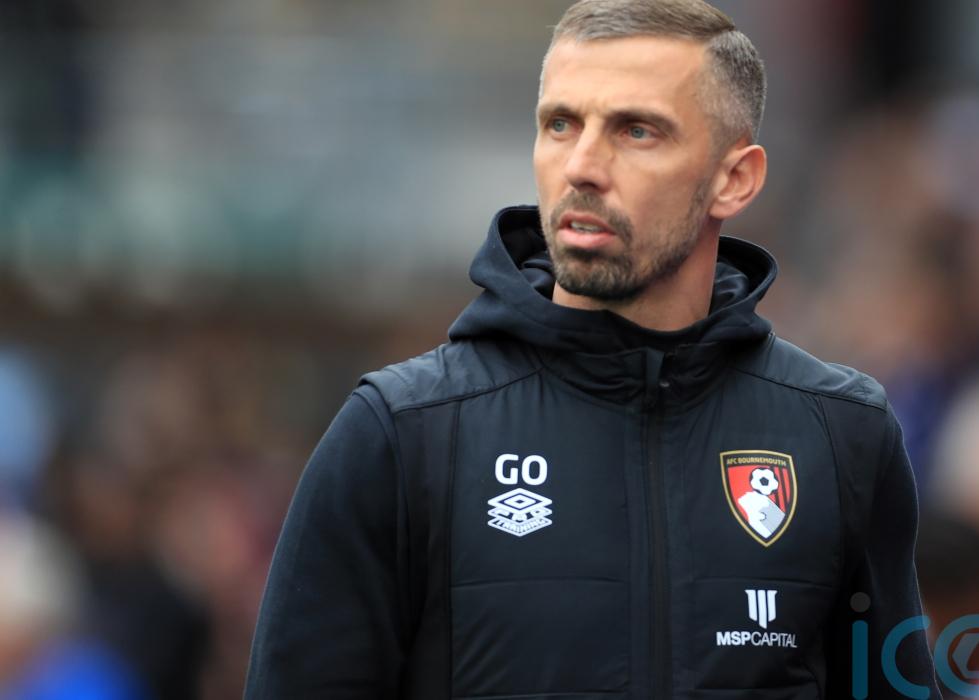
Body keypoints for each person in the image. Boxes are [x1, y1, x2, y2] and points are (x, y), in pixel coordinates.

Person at [245, 1, 940, 697]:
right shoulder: (403, 433)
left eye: (636, 131)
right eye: (561, 124)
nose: (582, 166)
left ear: (734, 179)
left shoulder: (839, 433)